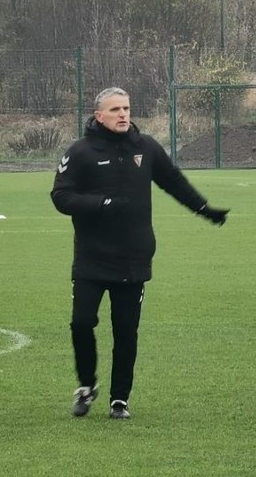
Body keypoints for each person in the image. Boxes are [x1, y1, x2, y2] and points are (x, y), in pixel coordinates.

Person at [50, 86, 229, 419]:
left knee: (125, 330)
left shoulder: (145, 148)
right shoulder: (81, 152)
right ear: (98, 114)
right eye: (115, 109)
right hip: (91, 257)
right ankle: (86, 387)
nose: (123, 114)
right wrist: (101, 204)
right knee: (81, 323)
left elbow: (174, 181)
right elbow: (61, 197)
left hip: (133, 257)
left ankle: (120, 399)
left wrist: (205, 209)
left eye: (127, 108)